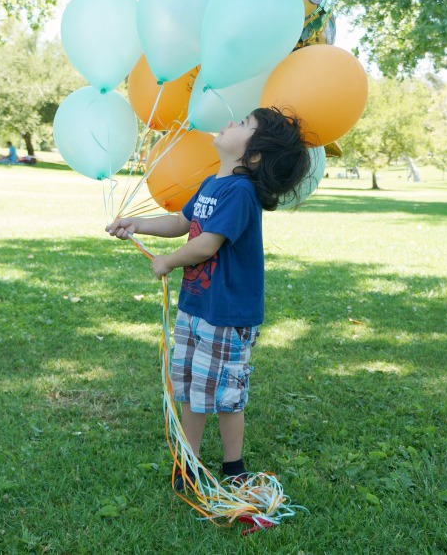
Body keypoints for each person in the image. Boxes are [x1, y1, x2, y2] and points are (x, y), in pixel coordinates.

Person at [106, 107, 312, 489]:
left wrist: (168, 261)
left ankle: (234, 466)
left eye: (245, 124)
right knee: (190, 385)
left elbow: (205, 245)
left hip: (227, 314)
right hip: (197, 306)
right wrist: (140, 225)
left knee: (226, 394)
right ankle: (190, 461)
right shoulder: (211, 184)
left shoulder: (240, 192)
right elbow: (183, 223)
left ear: (253, 155)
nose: (232, 122)